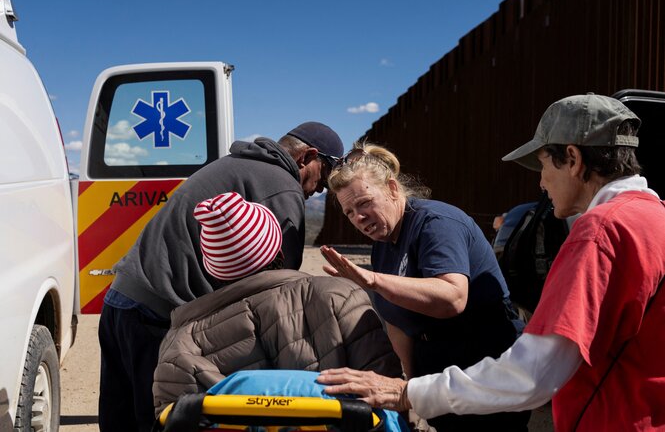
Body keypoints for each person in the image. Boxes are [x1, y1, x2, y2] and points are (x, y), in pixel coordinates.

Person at [317, 94, 665, 431]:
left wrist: (409, 393)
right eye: (349, 211)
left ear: (572, 159)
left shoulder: (600, 232)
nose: (541, 183)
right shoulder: (654, 217)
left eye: (543, 165)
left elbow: (534, 372)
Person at [98, 121, 344, 432]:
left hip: (121, 299)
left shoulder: (234, 163)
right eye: (324, 178)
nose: (318, 190)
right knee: (162, 422)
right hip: (157, 317)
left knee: (119, 420)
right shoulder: (282, 185)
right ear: (306, 157)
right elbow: (279, 291)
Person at [318, 143, 529, 431]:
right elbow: (396, 320)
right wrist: (411, 386)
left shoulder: (436, 224)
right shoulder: (383, 245)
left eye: (365, 202)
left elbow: (452, 298)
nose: (359, 217)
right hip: (440, 378)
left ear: (392, 188)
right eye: (350, 212)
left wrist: (373, 280)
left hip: (485, 373)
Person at [152, 192, 402, 416]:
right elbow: (387, 395)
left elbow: (175, 421)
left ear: (214, 271)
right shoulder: (340, 296)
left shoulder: (180, 345)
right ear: (279, 251)